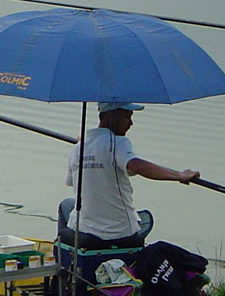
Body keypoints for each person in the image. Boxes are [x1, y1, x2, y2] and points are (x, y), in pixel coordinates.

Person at [63, 101, 199, 246]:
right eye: (127, 117)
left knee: (66, 205)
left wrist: (84, 148)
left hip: (84, 229)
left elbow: (71, 181)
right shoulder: (118, 143)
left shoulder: (78, 149)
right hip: (119, 234)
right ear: (110, 116)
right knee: (145, 217)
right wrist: (179, 176)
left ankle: (64, 250)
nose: (131, 123)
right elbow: (136, 166)